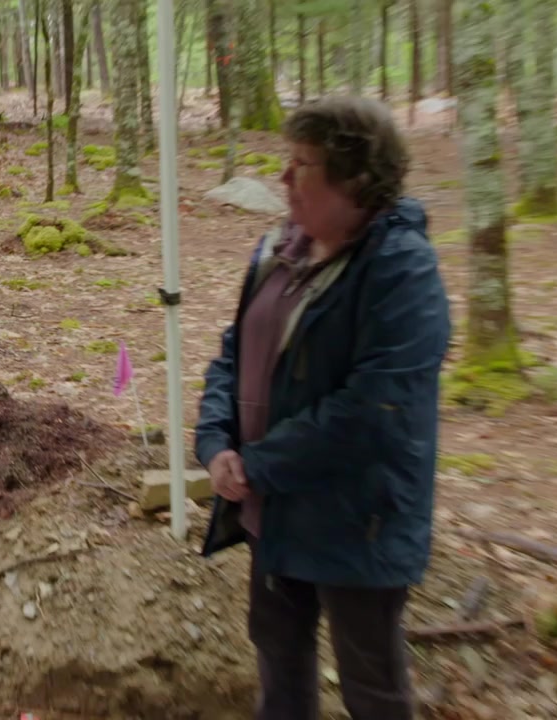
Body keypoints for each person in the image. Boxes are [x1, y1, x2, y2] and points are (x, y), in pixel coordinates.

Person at [195, 95, 452, 720]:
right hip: (275, 512)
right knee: (280, 673)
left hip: (357, 523)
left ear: (355, 178)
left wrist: (259, 465)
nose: (283, 176)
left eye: (302, 163)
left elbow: (376, 409)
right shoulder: (282, 250)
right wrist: (216, 442)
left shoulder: (402, 270)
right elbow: (234, 351)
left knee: (372, 689)